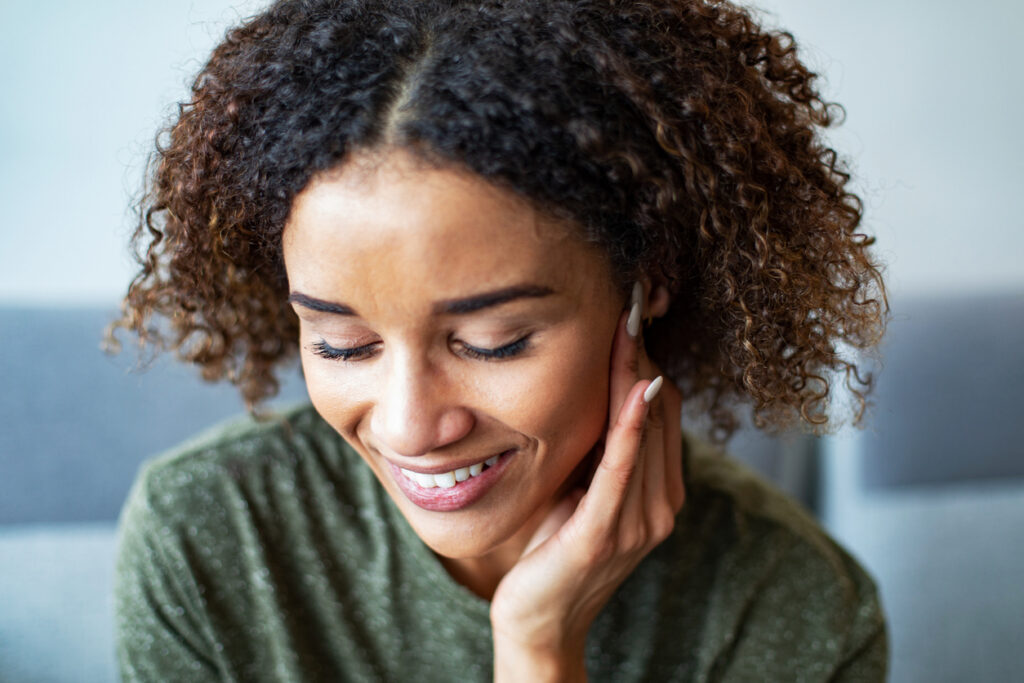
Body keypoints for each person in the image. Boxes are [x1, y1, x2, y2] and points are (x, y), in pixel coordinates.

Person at [109, 0, 889, 680]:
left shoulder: (795, 606)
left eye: (494, 341)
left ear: (647, 285)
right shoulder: (206, 535)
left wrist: (539, 649)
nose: (411, 426)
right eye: (343, 344)